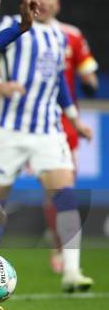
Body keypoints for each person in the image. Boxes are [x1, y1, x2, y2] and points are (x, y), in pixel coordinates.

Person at [0, 0, 94, 292]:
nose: (43, 1)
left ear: (57, 3)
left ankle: (72, 272)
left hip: (48, 131)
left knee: (65, 195)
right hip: (10, 131)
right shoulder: (7, 27)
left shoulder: (58, 37)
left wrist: (74, 118)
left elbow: (60, 82)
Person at [44, 19, 99, 273]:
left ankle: (64, 255)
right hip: (33, 123)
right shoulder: (22, 32)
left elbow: (88, 74)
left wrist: (89, 82)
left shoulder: (72, 35)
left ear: (56, 1)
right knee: (52, 190)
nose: (43, 1)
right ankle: (59, 248)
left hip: (66, 124)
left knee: (63, 188)